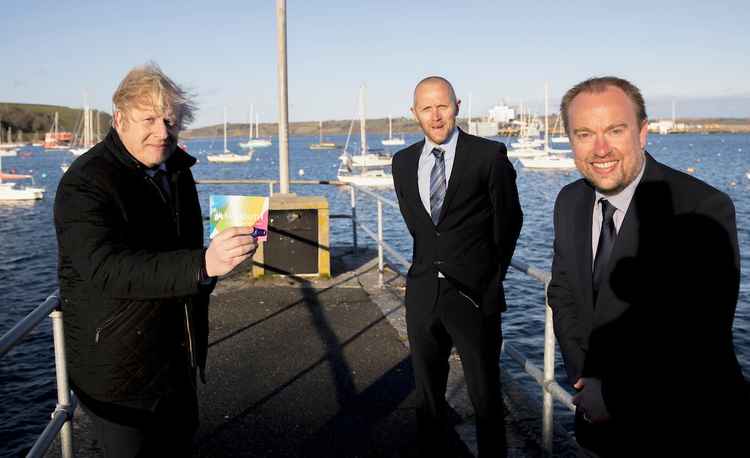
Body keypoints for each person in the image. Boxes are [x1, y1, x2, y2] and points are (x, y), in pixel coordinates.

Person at [54, 63, 257, 456]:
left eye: (171, 120)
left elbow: (185, 247)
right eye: (149, 119)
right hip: (118, 375)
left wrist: (218, 258)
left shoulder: (176, 169)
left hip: (176, 360)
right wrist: (202, 265)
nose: (162, 132)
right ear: (119, 119)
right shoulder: (85, 182)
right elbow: (104, 268)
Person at [548, 76, 748, 456]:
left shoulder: (701, 208)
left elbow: (700, 333)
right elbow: (562, 292)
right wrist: (584, 378)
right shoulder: (569, 201)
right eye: (585, 133)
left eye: (615, 130)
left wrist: (613, 395)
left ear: (642, 133)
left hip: (681, 428)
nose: (600, 148)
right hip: (596, 423)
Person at [392, 76, 522, 457]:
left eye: (443, 106)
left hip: (473, 296)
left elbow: (509, 221)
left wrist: (488, 278)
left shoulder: (488, 156)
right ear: (414, 113)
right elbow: (418, 225)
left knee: (485, 397)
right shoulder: (401, 163)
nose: (436, 115)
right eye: (426, 108)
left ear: (457, 106)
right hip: (421, 295)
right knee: (428, 396)